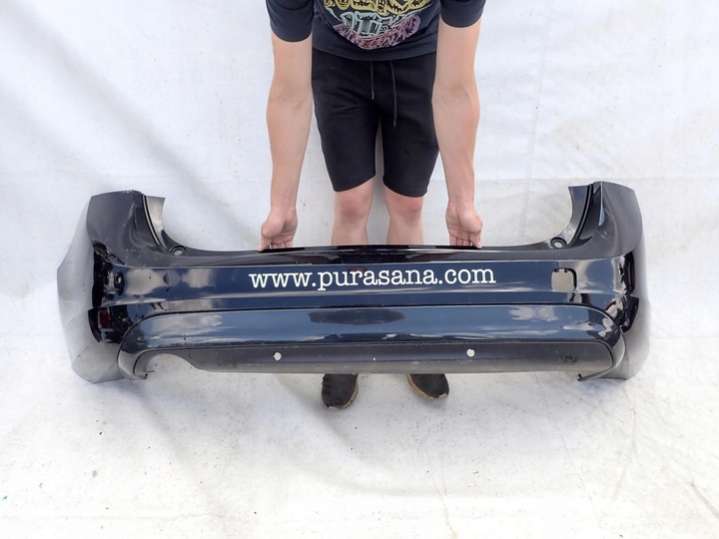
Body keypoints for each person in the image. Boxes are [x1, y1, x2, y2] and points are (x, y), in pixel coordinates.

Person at [261, 0, 486, 409]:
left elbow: (456, 89)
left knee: (408, 204)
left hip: (419, 59)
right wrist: (282, 207)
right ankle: (347, 334)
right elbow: (289, 93)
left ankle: (410, 330)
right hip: (337, 63)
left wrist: (462, 202)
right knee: (351, 203)